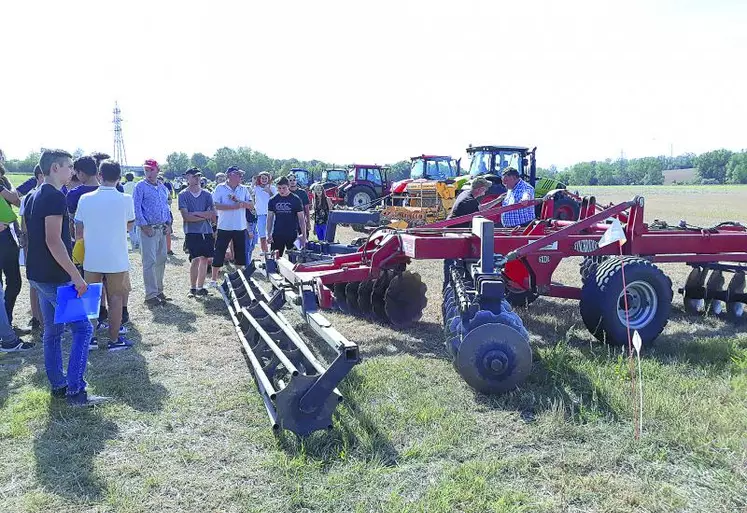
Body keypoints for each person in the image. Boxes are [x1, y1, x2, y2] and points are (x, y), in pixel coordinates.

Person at [24, 149, 106, 406]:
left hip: (38, 274)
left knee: (53, 331)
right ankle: (76, 391)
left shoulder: (33, 194)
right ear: (56, 168)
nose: (73, 171)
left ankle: (59, 384)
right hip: (54, 276)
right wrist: (76, 276)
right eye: (69, 166)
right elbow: (53, 240)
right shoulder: (55, 196)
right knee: (83, 328)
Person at [74, 160, 135, 351]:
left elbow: (78, 228)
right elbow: (129, 225)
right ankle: (114, 339)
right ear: (118, 178)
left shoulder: (85, 198)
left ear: (99, 175)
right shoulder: (126, 199)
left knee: (91, 298)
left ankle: (90, 339)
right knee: (116, 298)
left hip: (92, 256)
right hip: (116, 257)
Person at [133, 159, 172, 306]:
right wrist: (144, 226)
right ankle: (150, 295)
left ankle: (158, 290)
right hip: (149, 229)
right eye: (146, 170)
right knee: (149, 262)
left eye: (151, 170)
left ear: (158, 170)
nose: (148, 173)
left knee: (161, 260)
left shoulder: (162, 187)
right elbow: (136, 208)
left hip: (161, 228)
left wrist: (168, 224)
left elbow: (166, 207)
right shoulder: (140, 187)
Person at [210, 166, 252, 286]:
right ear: (229, 175)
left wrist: (241, 203)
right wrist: (232, 207)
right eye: (238, 174)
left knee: (240, 253)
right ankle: (213, 279)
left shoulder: (244, 189)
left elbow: (251, 205)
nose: (240, 177)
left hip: (240, 226)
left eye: (241, 175)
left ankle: (239, 278)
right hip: (224, 226)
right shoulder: (220, 188)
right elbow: (215, 205)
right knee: (219, 251)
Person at [178, 168, 216, 296]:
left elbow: (212, 214)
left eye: (199, 176)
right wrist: (204, 215)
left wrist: (196, 214)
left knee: (205, 259)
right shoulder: (183, 195)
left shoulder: (207, 195)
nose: (197, 178)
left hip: (206, 231)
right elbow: (186, 217)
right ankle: (193, 288)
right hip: (191, 232)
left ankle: (200, 287)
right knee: (195, 259)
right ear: (187, 178)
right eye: (194, 176)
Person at [0, 158, 27, 337]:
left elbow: (15, 201)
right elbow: (15, 199)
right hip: (3, 235)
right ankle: (5, 326)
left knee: (12, 282)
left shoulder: (3, 179)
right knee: (11, 282)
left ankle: (6, 323)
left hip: (7, 234)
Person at [18, 165, 44, 333]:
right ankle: (36, 317)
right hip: (35, 246)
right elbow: (24, 224)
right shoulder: (29, 197)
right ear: (40, 175)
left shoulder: (56, 194)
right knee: (35, 283)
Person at [267, 176, 306, 257]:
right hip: (277, 234)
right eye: (279, 188)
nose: (281, 190)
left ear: (288, 187)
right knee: (274, 259)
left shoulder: (296, 199)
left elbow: (301, 219)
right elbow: (270, 218)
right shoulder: (273, 200)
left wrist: (304, 236)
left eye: (284, 188)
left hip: (292, 234)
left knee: (293, 260)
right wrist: (269, 233)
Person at [253, 171, 276, 255]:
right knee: (262, 235)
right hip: (260, 214)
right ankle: (265, 253)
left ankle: (273, 252)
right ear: (260, 179)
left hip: (271, 214)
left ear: (268, 179)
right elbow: (250, 195)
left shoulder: (272, 187)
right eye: (262, 178)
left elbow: (276, 199)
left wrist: (269, 192)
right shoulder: (256, 188)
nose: (264, 180)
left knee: (272, 235)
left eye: (266, 178)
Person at [157, 174, 175, 255]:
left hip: (166, 213)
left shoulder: (165, 189)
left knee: (168, 232)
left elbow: (170, 200)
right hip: (157, 214)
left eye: (161, 180)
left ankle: (168, 249)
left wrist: (166, 202)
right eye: (158, 180)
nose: (160, 182)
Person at [122, 173, 139, 249]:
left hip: (127, 208)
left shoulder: (123, 187)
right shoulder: (137, 186)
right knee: (137, 226)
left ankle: (134, 241)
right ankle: (138, 240)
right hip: (137, 207)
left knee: (130, 227)